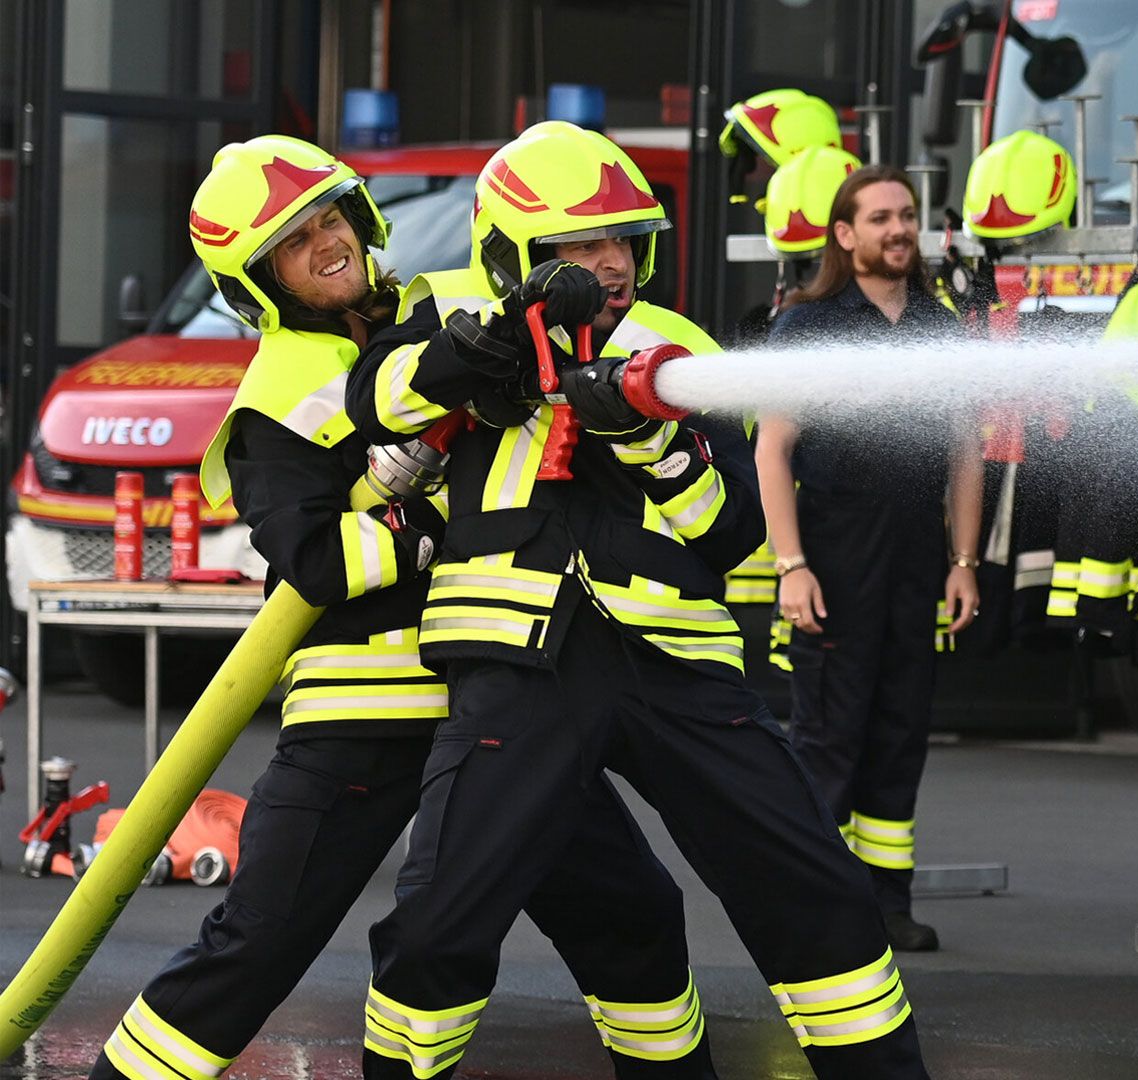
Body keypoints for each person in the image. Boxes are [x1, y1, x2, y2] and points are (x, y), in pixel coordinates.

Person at [96, 135, 712, 1080]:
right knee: (257, 944)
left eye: (332, 218)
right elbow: (315, 562)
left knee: (632, 917)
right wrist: (429, 523)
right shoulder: (271, 404)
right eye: (293, 243)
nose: (326, 243)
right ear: (258, 282)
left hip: (502, 697)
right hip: (364, 710)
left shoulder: (442, 312)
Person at [347, 122, 929, 1078]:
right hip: (516, 670)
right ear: (516, 257)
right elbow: (379, 400)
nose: (610, 263)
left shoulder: (681, 352)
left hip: (680, 670)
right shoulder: (449, 321)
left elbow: (728, 528)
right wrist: (508, 341)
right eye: (580, 245)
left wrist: (650, 438)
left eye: (622, 239)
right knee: (442, 917)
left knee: (816, 889)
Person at [755, 164, 984, 953]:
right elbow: (772, 449)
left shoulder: (940, 327)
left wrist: (964, 561)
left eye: (907, 215)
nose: (898, 229)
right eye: (880, 217)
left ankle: (888, 905)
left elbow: (965, 452)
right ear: (844, 234)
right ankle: (815, 904)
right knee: (828, 737)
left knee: (900, 732)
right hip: (835, 553)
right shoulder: (807, 327)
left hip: (919, 554)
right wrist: (792, 566)